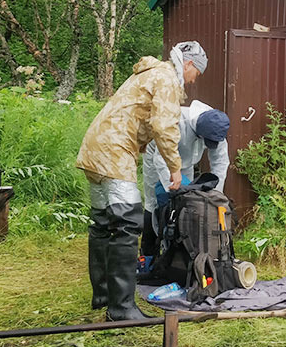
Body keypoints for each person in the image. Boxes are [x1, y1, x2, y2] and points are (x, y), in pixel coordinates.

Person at [76, 41, 207, 321]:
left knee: (102, 223)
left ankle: (102, 295)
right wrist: (175, 167)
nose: (194, 79)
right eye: (196, 73)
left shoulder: (149, 73)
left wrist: (142, 140)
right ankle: (122, 308)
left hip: (95, 146)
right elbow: (164, 125)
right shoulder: (168, 78)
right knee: (127, 225)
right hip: (114, 150)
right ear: (188, 65)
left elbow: (136, 112)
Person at [141, 100, 230, 253]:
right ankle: (148, 251)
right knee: (155, 201)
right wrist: (174, 188)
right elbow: (161, 159)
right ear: (198, 131)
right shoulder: (177, 122)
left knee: (186, 204)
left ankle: (180, 251)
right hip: (158, 155)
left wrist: (217, 195)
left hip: (187, 163)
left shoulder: (216, 126)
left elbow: (220, 163)